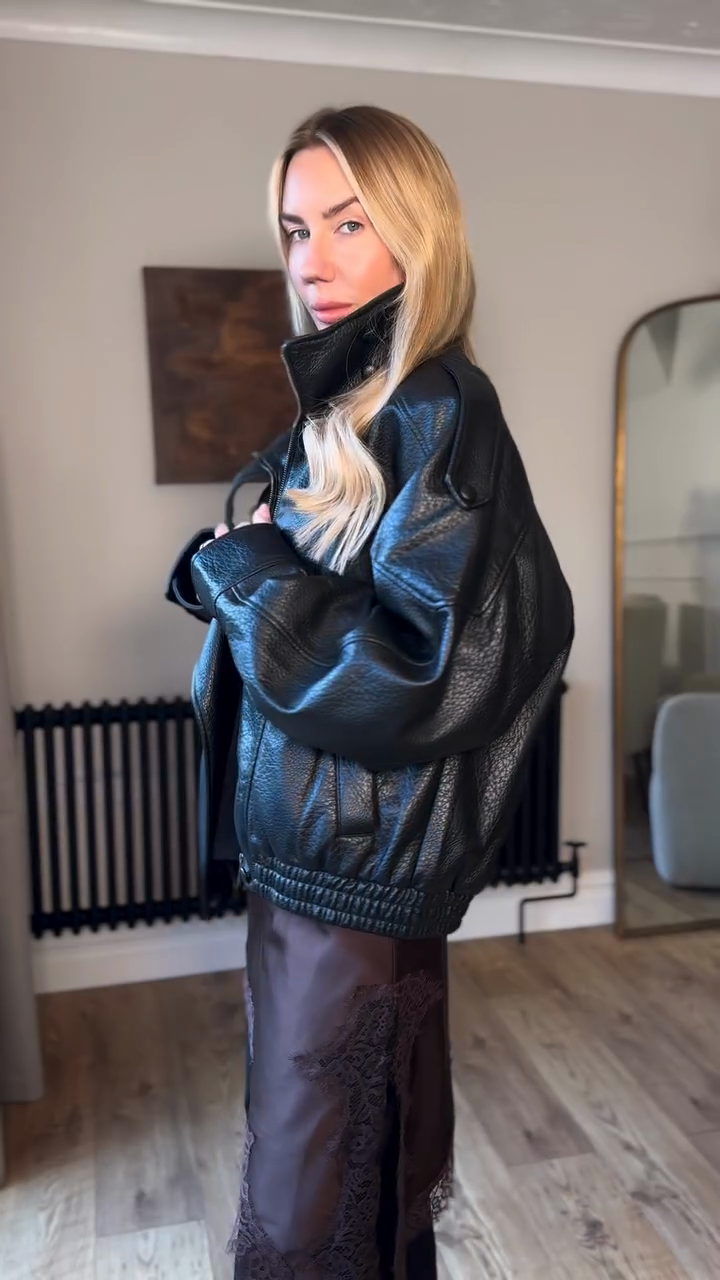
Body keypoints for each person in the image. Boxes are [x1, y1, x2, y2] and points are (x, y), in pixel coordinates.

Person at [167, 105, 573, 1280]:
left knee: (313, 1206)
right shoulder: (352, 407)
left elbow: (413, 675)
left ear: (417, 230)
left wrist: (247, 567)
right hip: (318, 865)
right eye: (298, 229)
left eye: (349, 223)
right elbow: (318, 597)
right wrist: (232, 568)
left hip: (348, 878)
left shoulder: (436, 407)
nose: (313, 260)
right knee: (354, 1179)